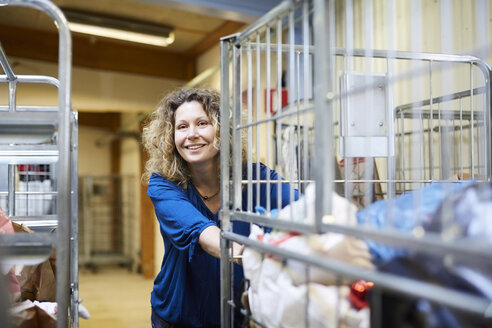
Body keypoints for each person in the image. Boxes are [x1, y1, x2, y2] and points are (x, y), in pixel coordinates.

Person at [142, 87, 298, 328]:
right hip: (178, 316)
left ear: (222, 130)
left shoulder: (253, 177)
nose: (191, 134)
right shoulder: (163, 184)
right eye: (182, 127)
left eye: (202, 123)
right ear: (171, 136)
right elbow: (200, 232)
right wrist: (252, 254)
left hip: (234, 315)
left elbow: (303, 207)